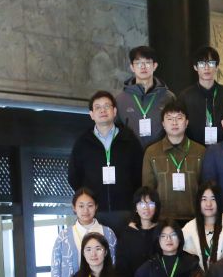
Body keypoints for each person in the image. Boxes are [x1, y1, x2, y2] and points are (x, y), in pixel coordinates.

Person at [69, 92, 145, 227]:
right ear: (91, 114)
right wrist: (89, 200)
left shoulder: (130, 140)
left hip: (126, 212)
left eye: (107, 106)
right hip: (95, 213)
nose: (102, 110)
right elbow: (74, 177)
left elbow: (139, 175)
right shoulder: (82, 143)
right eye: (97, 107)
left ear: (114, 111)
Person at [143, 101, 206, 223]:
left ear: (186, 122)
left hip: (194, 219)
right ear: (163, 124)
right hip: (162, 219)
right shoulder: (151, 152)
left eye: (179, 118)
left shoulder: (200, 151)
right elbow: (147, 190)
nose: (174, 122)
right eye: (169, 118)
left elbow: (206, 188)